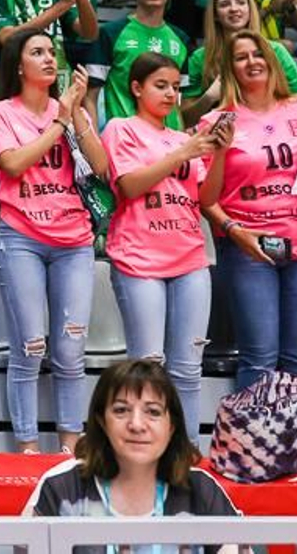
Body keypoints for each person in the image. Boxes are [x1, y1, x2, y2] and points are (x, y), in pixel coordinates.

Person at [0, 30, 109, 452]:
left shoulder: (69, 108)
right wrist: (59, 120)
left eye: (51, 51)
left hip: (74, 240)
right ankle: (28, 448)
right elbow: (14, 163)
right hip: (21, 236)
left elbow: (101, 164)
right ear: (19, 65)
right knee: (30, 346)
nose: (49, 58)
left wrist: (76, 113)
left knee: (71, 351)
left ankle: (71, 448)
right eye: (37, 52)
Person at [197, 31, 297, 392]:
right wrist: (235, 231)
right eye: (241, 57)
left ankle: (293, 446)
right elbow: (206, 198)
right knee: (259, 357)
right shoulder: (217, 121)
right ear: (230, 68)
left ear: (272, 61)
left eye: (257, 54)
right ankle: (252, 446)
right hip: (249, 246)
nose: (252, 62)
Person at [101, 52, 225, 440]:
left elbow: (207, 197)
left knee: (189, 368)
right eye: (161, 85)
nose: (171, 93)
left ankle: (184, 451)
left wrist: (218, 153)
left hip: (190, 256)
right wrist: (183, 154)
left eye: (175, 86)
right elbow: (128, 186)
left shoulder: (182, 139)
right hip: (139, 258)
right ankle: (142, 447)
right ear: (136, 88)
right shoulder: (121, 129)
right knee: (147, 365)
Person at [23, 359, 240, 524]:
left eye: (153, 412)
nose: (136, 424)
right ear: (101, 421)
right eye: (121, 410)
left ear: (171, 426)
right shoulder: (62, 489)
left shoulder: (201, 491)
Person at [181, 0, 297, 119]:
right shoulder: (199, 58)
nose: (234, 9)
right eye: (224, 4)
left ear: (250, 9)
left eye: (241, 2)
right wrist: (209, 98)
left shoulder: (276, 51)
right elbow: (184, 119)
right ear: (215, 15)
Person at [94, 0, 190, 126]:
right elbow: (90, 96)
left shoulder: (181, 39)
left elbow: (178, 101)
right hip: (125, 142)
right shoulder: (111, 33)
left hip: (171, 142)